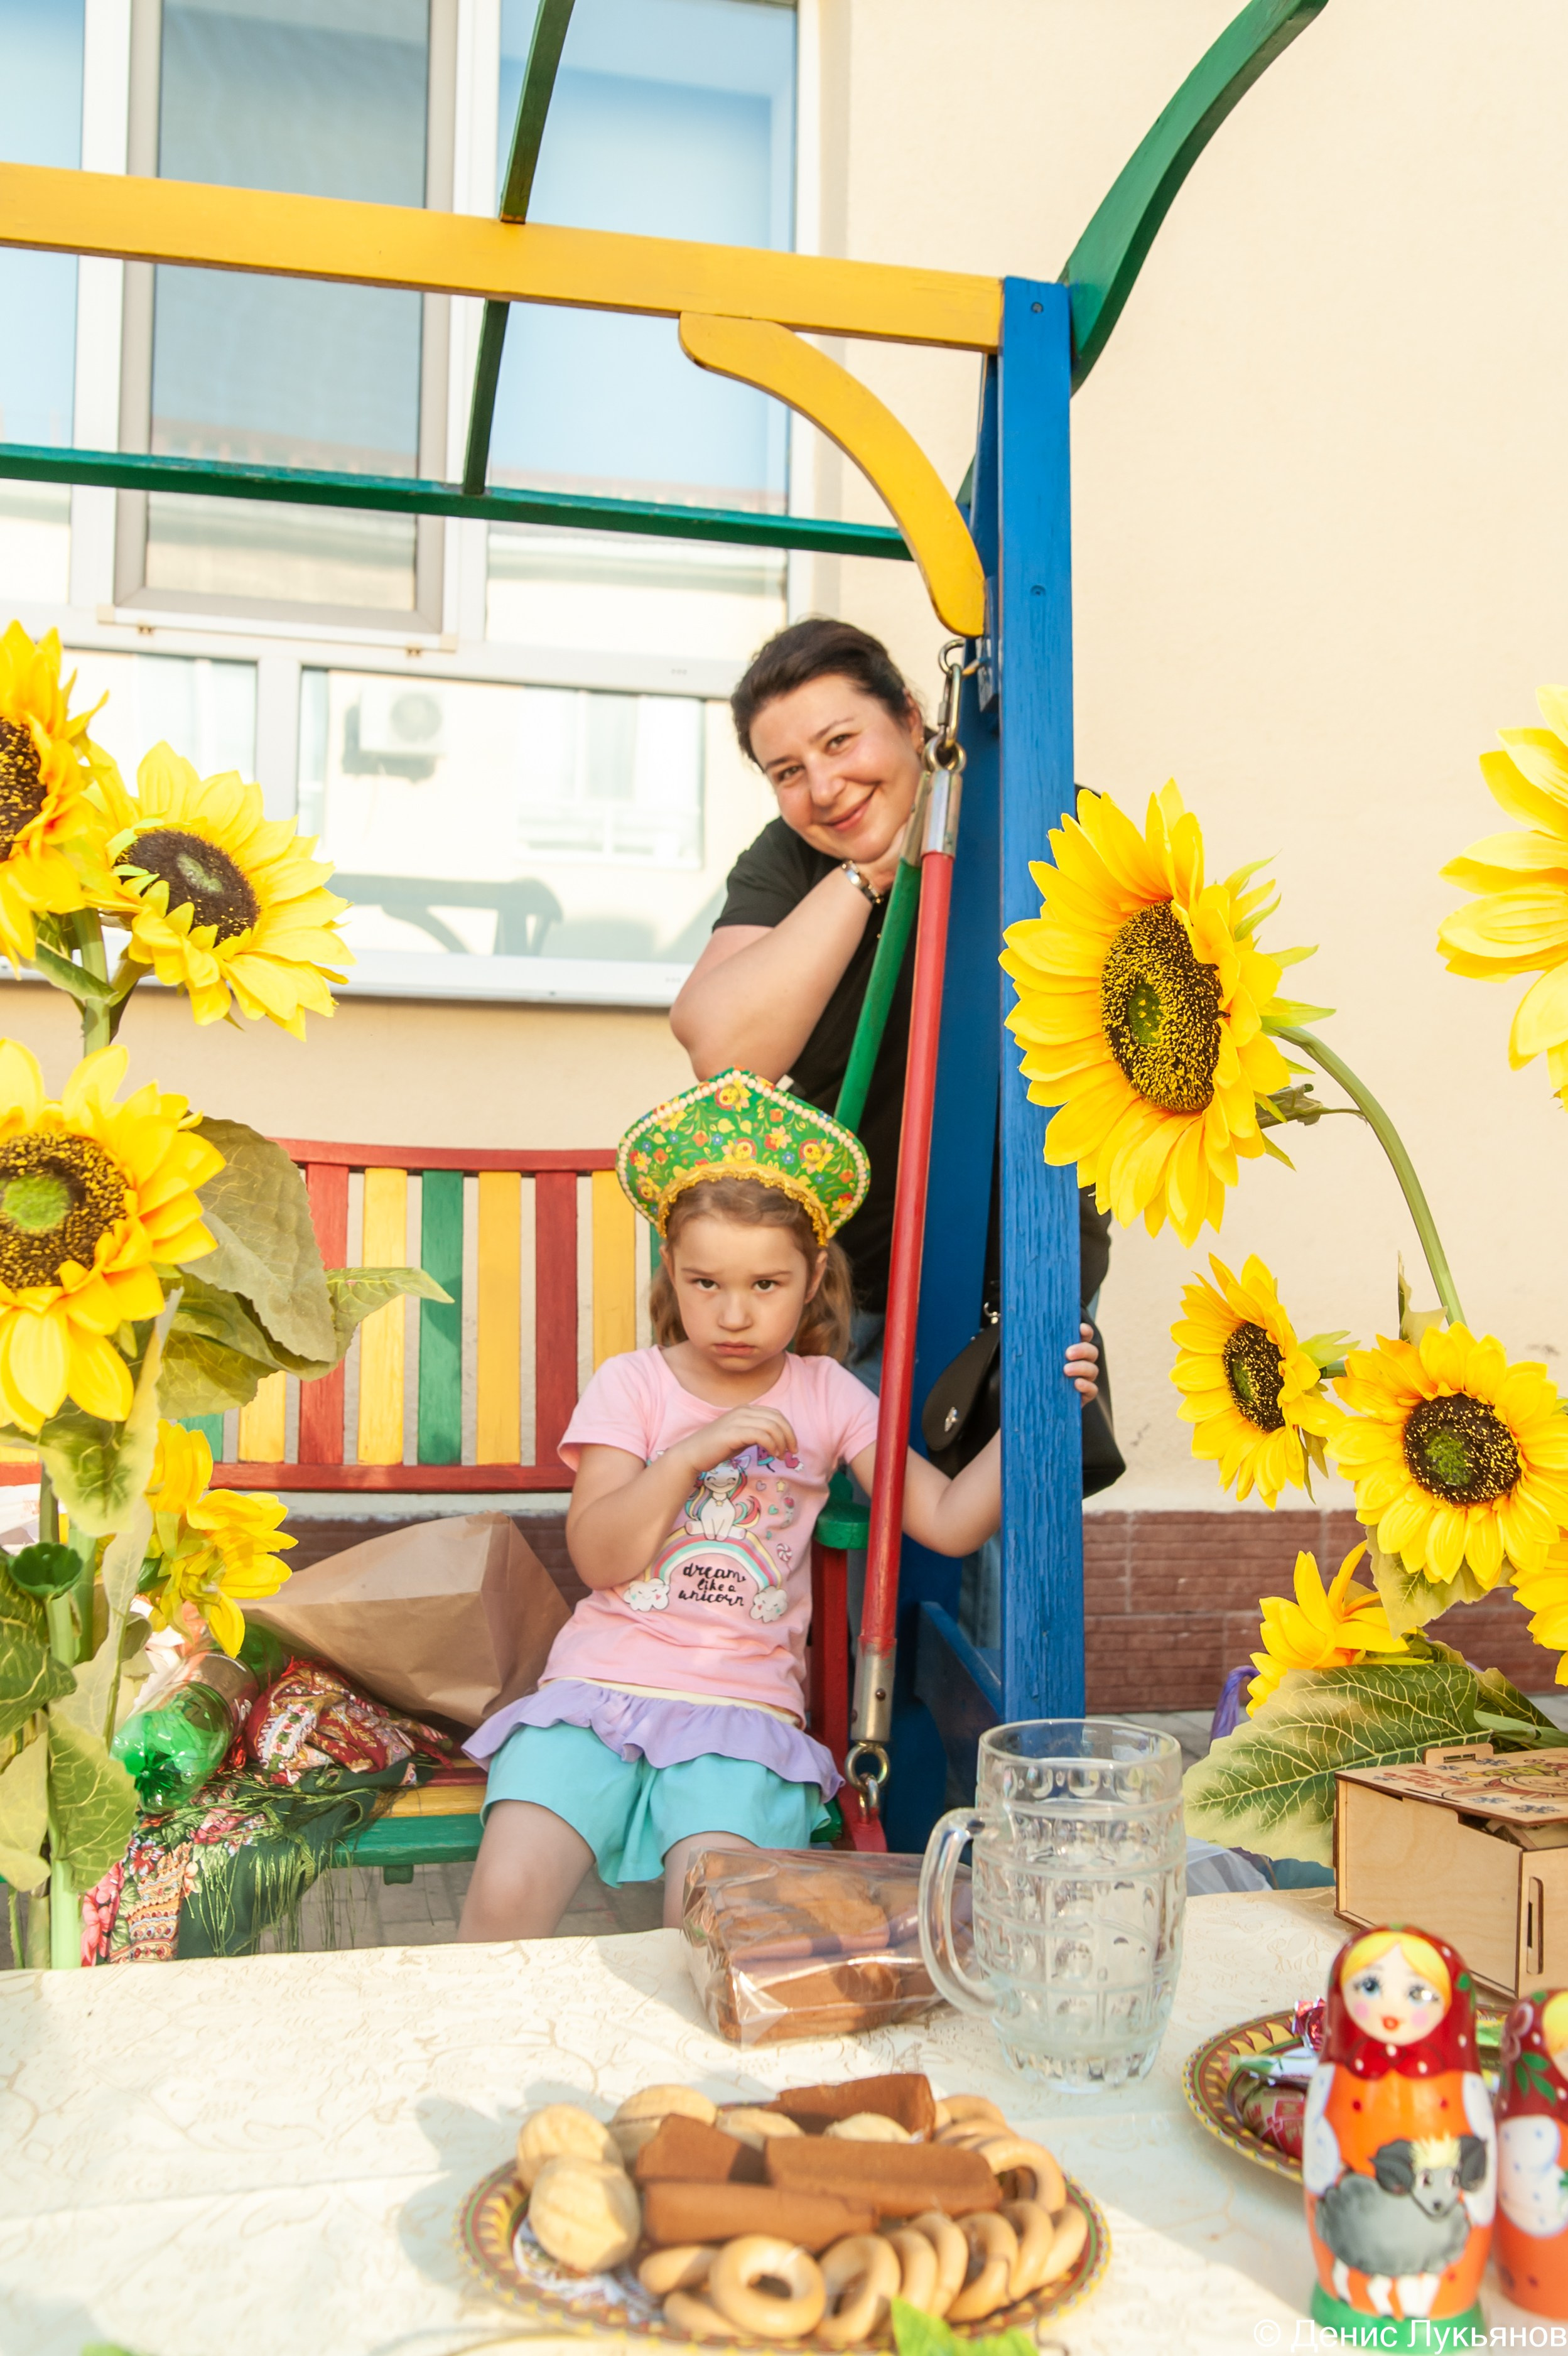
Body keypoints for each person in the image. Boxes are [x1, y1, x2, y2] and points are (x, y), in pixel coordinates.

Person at [457, 1070, 1098, 1942]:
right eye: (704, 1283)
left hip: (740, 1710)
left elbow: (946, 1519)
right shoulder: (634, 1384)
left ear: (811, 1282)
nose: (731, 1313)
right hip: (596, 1694)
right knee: (507, 1888)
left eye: (765, 1285)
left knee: (715, 1913)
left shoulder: (827, 1394)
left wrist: (1035, 1410)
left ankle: (685, 2078)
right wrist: (688, 1452)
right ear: (672, 1279)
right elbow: (602, 1560)